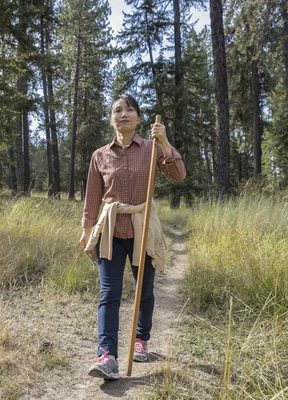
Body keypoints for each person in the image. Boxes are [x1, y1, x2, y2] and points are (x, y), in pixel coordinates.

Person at [80, 94, 186, 380]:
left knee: (144, 290)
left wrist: (164, 142)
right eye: (117, 110)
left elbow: (178, 174)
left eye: (129, 110)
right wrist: (86, 228)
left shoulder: (152, 149)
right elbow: (92, 197)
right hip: (111, 230)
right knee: (108, 294)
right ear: (111, 119)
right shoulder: (99, 155)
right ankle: (107, 356)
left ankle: (141, 339)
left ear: (139, 118)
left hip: (143, 227)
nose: (123, 114)